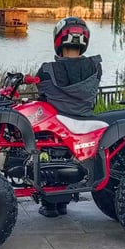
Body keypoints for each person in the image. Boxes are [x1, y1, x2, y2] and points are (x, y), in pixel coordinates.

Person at [33, 16, 102, 217]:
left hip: (56, 126)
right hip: (84, 122)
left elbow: (42, 95)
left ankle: (51, 206)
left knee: (43, 152)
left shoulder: (47, 70)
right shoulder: (95, 67)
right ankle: (63, 203)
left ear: (58, 40)